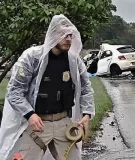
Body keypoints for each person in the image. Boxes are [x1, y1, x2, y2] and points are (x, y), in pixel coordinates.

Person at [0, 14, 95, 160]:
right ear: (52, 34)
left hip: (63, 122)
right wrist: (30, 114)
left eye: (70, 35)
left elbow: (86, 89)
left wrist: (87, 114)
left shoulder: (74, 61)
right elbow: (14, 91)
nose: (69, 39)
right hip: (37, 123)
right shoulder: (32, 57)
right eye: (64, 35)